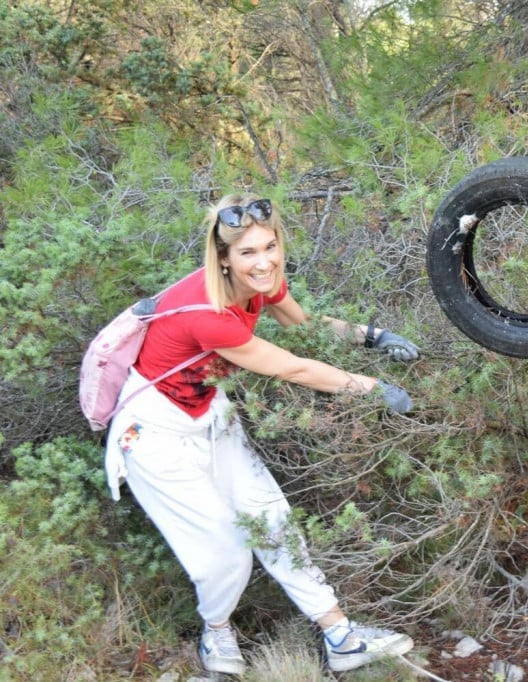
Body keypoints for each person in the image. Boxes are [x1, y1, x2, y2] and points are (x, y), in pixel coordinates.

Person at [103, 194, 420, 676]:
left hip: (210, 411)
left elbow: (302, 324)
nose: (264, 261)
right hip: (153, 431)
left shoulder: (260, 284)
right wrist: (370, 388)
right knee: (225, 553)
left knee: (273, 520)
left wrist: (371, 336)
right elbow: (291, 367)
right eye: (248, 253)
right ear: (223, 259)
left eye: (269, 247)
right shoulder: (205, 313)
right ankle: (217, 632)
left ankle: (340, 635)